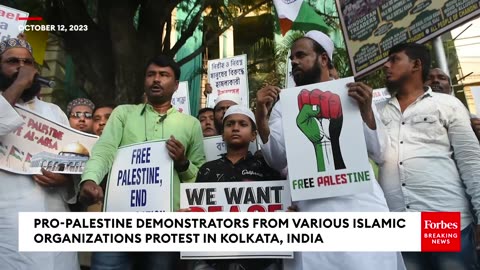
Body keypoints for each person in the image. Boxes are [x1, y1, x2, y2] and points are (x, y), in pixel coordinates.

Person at [254, 30, 404, 269]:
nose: (293, 62)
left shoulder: (353, 94)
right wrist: (261, 119)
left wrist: (365, 111)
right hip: (311, 211)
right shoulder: (285, 105)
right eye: (292, 58)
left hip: (361, 208)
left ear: (323, 59)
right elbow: (276, 159)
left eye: (301, 55)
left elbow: (380, 152)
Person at [79, 55, 205, 270]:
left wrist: (183, 162)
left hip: (167, 227)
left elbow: (201, 176)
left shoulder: (191, 124)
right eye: (151, 74)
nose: (156, 80)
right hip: (118, 224)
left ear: (175, 85)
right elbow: (105, 150)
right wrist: (90, 178)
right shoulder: (122, 114)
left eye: (163, 75)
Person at [379, 42, 480, 270]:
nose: (386, 65)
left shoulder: (448, 105)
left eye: (394, 59)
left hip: (444, 219)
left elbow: (471, 161)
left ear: (416, 65)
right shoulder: (378, 113)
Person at [0, 37, 79, 270]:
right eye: (12, 61)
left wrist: (65, 179)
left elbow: (73, 159)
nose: (22, 67)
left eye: (28, 62)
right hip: (9, 221)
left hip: (54, 217)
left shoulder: (53, 111)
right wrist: (19, 84)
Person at [193, 105, 281, 270]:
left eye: (243, 124)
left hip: (259, 261)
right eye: (230, 124)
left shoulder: (267, 168)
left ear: (254, 135)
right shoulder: (207, 169)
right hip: (214, 260)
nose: (235, 128)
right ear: (222, 134)